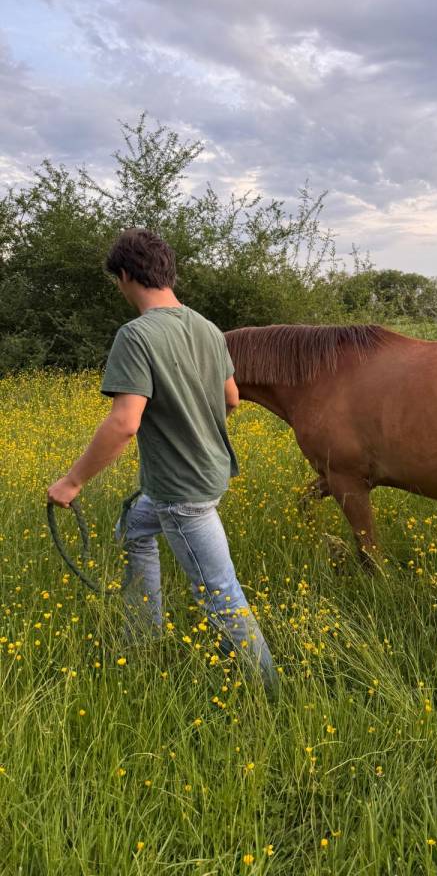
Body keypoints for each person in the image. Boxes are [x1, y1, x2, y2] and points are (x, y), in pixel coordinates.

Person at [47, 227, 277, 695]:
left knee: (219, 592)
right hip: (206, 474)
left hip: (181, 492)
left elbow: (124, 423)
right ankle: (143, 632)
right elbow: (232, 398)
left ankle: (268, 692)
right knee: (134, 527)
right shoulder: (207, 328)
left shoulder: (136, 335)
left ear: (126, 275)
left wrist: (71, 482)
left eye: (118, 280)